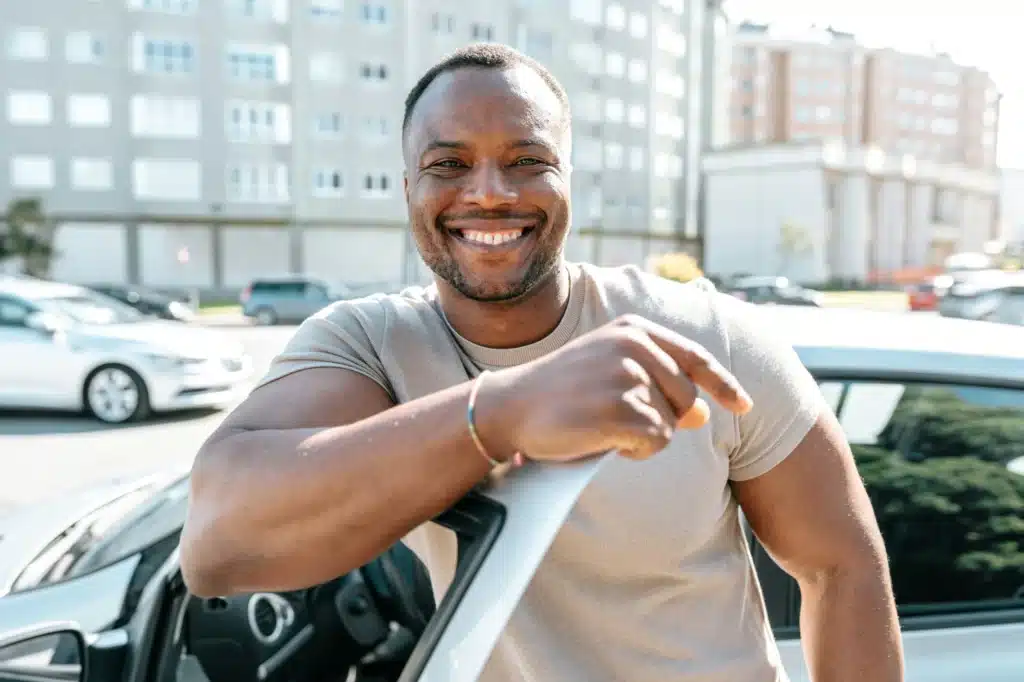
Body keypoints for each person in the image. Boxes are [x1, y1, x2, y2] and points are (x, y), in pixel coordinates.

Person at [181, 43, 904, 682]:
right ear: (408, 190)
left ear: (567, 181)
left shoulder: (709, 337)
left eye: (527, 161)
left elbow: (842, 567)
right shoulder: (372, 344)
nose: (489, 193)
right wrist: (502, 414)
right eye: (448, 164)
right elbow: (216, 547)